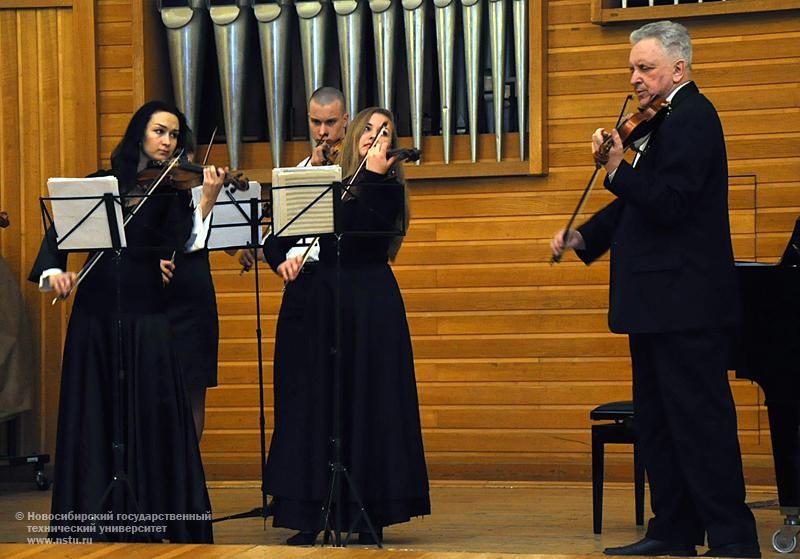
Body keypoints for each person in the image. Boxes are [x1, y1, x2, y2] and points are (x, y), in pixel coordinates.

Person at [551, 21, 759, 558]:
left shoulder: (694, 118)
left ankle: (734, 538)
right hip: (655, 303)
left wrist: (619, 166)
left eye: (645, 68)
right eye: (632, 69)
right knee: (661, 422)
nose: (635, 79)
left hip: (686, 303)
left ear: (679, 69)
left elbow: (671, 203)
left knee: (700, 423)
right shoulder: (659, 123)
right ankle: (675, 527)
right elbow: (636, 208)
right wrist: (586, 235)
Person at [29, 100, 224, 543]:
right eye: (160, 131)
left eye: (174, 135)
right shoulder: (101, 183)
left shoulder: (174, 192)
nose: (168, 142)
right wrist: (53, 274)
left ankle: (151, 513)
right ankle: (97, 516)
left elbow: (188, 245)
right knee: (96, 411)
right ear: (140, 133)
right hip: (96, 318)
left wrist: (206, 200)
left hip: (148, 319)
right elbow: (58, 238)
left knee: (151, 413)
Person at [263, 107, 430, 545]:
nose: (377, 136)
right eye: (370, 128)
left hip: (367, 308)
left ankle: (367, 509)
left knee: (367, 401)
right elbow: (274, 238)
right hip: (317, 309)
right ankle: (308, 510)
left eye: (386, 131)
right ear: (354, 133)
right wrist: (283, 258)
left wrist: (373, 178)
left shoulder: (387, 190)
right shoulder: (321, 183)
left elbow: (360, 234)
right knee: (312, 404)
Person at [159, 142, 222, 439]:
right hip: (160, 299)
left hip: (195, 303)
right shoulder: (155, 193)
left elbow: (202, 241)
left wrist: (241, 250)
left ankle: (191, 473)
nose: (181, 161)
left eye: (186, 153)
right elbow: (179, 241)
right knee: (159, 392)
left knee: (194, 390)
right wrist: (206, 203)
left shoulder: (199, 190)